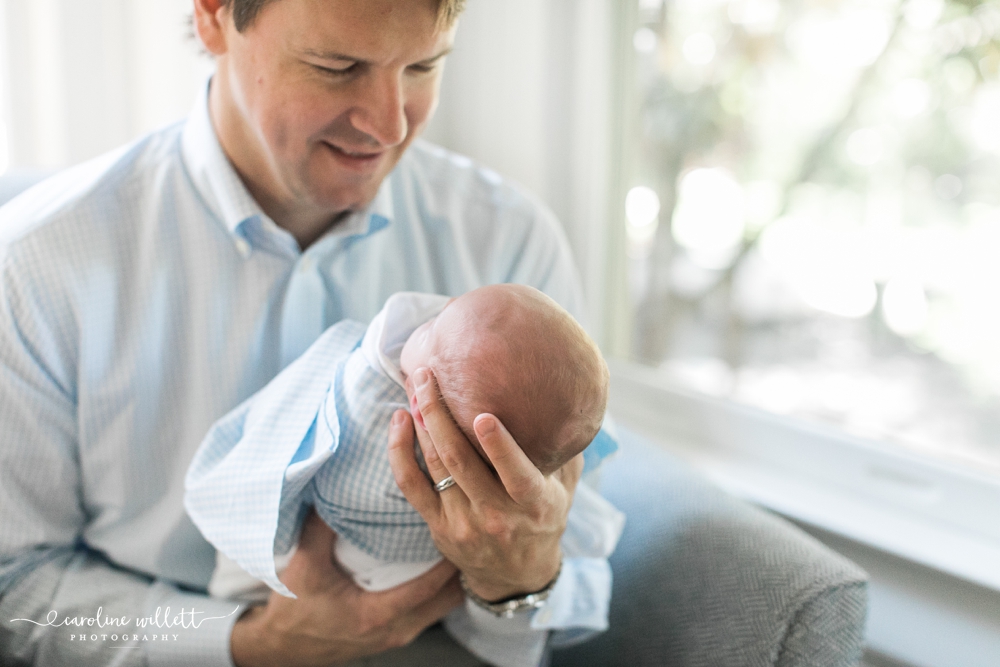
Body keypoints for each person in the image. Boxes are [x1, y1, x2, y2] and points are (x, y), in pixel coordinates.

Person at [0, 0, 608, 665]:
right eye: (336, 66)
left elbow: (577, 559)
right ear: (213, 17)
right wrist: (242, 645)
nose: (389, 123)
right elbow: (17, 591)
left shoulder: (511, 246)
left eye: (424, 66)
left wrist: (515, 582)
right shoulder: (37, 265)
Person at [186, 285, 625, 667]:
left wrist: (513, 581)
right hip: (228, 623)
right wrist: (253, 643)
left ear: (424, 392)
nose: (432, 312)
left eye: (430, 331)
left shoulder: (378, 410)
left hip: (406, 608)